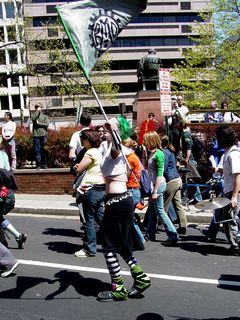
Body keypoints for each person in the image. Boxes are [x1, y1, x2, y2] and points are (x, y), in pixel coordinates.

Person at [97, 123, 150, 302]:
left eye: (106, 128)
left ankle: (118, 287)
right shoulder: (108, 149)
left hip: (118, 201)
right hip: (117, 201)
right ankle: (140, 277)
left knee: (107, 244)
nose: (102, 130)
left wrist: (113, 131)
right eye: (101, 128)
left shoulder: (117, 150)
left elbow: (116, 147)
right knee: (117, 244)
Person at [73, 129, 105, 258]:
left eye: (83, 139)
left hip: (90, 189)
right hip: (101, 187)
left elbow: (79, 168)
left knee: (89, 220)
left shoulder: (90, 152)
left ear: (89, 139)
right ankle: (115, 242)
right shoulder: (99, 152)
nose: (81, 141)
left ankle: (89, 249)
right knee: (101, 218)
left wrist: (77, 167)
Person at [143, 131, 179, 245]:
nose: (144, 142)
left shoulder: (158, 154)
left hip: (158, 185)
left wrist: (155, 191)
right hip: (155, 185)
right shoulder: (153, 153)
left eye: (146, 140)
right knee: (154, 211)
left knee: (160, 211)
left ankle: (173, 235)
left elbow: (159, 174)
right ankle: (150, 234)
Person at [209, 126, 240, 255]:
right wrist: (215, 168)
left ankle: (236, 246)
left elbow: (238, 175)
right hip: (228, 190)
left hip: (233, 191)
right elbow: (225, 170)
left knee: (230, 220)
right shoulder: (227, 153)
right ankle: (235, 245)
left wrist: (234, 196)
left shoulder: (233, 154)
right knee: (228, 220)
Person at [160, 134, 188, 235]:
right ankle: (183, 226)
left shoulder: (164, 153)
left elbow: (163, 168)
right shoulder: (170, 151)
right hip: (177, 179)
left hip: (171, 180)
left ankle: (158, 224)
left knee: (163, 206)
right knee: (178, 204)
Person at [122, 138, 145, 244]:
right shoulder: (134, 157)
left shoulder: (130, 158)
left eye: (124, 145)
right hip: (135, 189)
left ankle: (139, 239)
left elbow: (126, 175)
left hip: (131, 189)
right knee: (129, 217)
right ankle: (137, 239)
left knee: (128, 217)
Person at [31, 103, 50, 169]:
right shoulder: (34, 115)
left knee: (44, 150)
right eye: (36, 107)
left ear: (41, 108)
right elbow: (33, 118)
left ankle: (45, 164)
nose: (38, 108)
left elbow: (47, 124)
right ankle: (38, 164)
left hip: (43, 135)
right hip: (36, 135)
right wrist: (37, 112)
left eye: (39, 107)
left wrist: (39, 123)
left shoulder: (45, 116)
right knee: (37, 150)